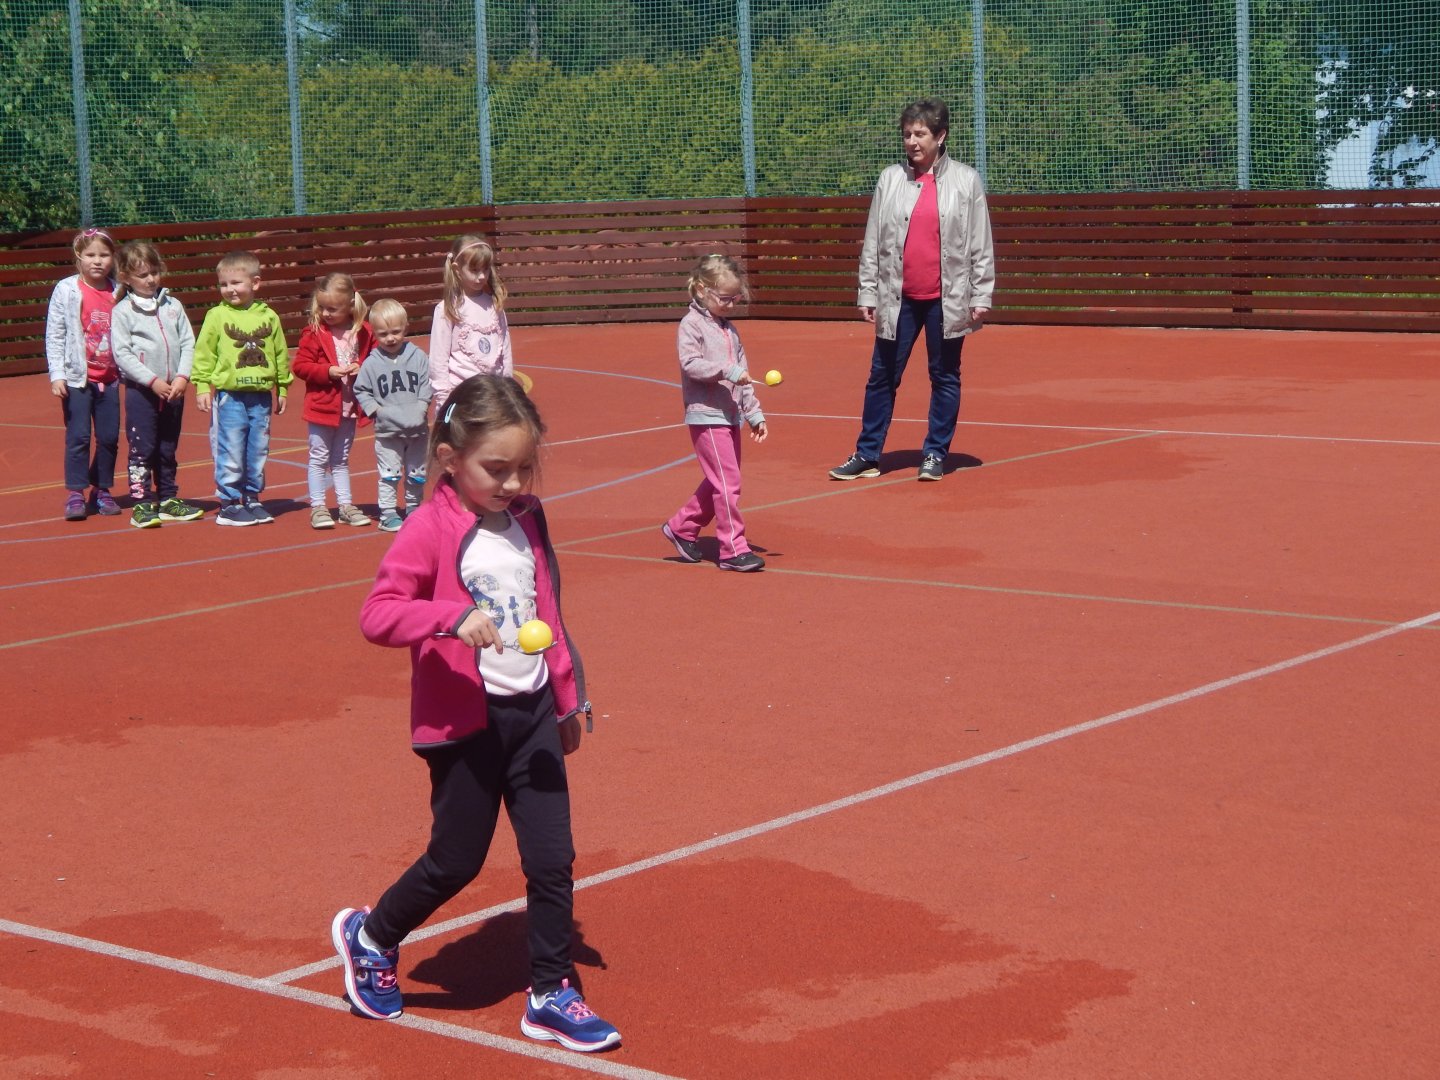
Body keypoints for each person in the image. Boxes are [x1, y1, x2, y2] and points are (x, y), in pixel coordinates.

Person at [334, 374, 620, 1053]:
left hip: (532, 713)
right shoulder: (428, 528)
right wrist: (450, 617)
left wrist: (566, 698)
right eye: (497, 468)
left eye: (524, 467)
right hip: (466, 723)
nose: (513, 483)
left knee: (552, 858)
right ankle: (372, 936)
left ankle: (551, 993)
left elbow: (547, 611)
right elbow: (378, 614)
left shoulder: (529, 518)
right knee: (456, 859)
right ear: (448, 457)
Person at [829, 97, 995, 483]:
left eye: (920, 134)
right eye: (907, 134)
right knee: (882, 375)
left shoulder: (966, 180)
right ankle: (867, 454)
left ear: (941, 136)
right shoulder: (890, 179)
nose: (912, 142)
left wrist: (981, 294)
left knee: (945, 375)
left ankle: (935, 453)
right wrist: (867, 291)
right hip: (897, 298)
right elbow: (873, 240)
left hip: (947, 299)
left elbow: (980, 243)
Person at [660, 254, 768, 572]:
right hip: (706, 415)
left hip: (730, 415)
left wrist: (754, 413)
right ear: (702, 290)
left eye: (736, 298)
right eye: (725, 298)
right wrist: (726, 370)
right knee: (727, 482)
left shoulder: (730, 331)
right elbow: (690, 364)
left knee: (720, 480)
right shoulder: (691, 325)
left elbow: (743, 377)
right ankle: (733, 549)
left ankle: (681, 527)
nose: (731, 304)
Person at [191, 250, 292, 526]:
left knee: (257, 450)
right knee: (231, 449)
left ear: (255, 283)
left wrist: (282, 387)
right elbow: (204, 353)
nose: (229, 289)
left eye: (236, 282)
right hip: (230, 397)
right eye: (223, 284)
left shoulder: (269, 317)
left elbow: (280, 353)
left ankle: (251, 496)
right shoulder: (216, 315)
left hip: (261, 397)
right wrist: (202, 385)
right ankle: (229, 502)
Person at [109, 240, 204, 528]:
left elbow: (188, 343)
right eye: (142, 275)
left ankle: (168, 499)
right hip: (143, 392)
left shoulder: (173, 305)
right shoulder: (123, 311)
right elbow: (122, 354)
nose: (150, 279)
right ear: (126, 277)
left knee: (167, 447)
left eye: (154, 272)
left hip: (174, 391)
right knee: (142, 448)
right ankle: (141, 503)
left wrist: (182, 376)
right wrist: (151, 381)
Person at [45, 227, 121, 521]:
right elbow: (55, 333)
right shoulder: (67, 289)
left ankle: (101, 489)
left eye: (104, 255)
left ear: (113, 258)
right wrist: (57, 374)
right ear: (78, 256)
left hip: (109, 379)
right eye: (90, 255)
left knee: (109, 438)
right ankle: (76, 493)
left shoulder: (119, 291)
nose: (97, 261)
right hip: (78, 379)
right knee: (78, 436)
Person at [292, 272, 376, 530]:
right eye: (322, 307)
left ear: (350, 305)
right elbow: (300, 366)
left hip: (350, 408)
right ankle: (318, 507)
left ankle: (345, 506)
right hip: (322, 406)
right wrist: (327, 371)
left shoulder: (364, 332)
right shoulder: (315, 332)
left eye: (333, 308)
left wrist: (362, 367)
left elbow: (376, 358)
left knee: (340, 459)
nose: (326, 313)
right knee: (319, 457)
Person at [354, 298, 432, 533]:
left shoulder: (418, 356)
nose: (390, 338)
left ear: (406, 328)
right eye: (383, 334)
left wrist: (422, 406)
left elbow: (427, 383)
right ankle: (388, 513)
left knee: (417, 473)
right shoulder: (371, 363)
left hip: (417, 431)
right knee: (390, 474)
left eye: (396, 332)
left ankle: (413, 508)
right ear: (374, 333)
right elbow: (361, 389)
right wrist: (376, 410)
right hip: (388, 433)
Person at [429, 235, 513, 410]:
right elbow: (438, 360)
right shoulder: (447, 309)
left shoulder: (495, 305)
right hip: (462, 396)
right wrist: (444, 400)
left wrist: (508, 388)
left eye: (485, 269)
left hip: (493, 394)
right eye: (474, 270)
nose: (481, 276)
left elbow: (505, 350)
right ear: (457, 269)